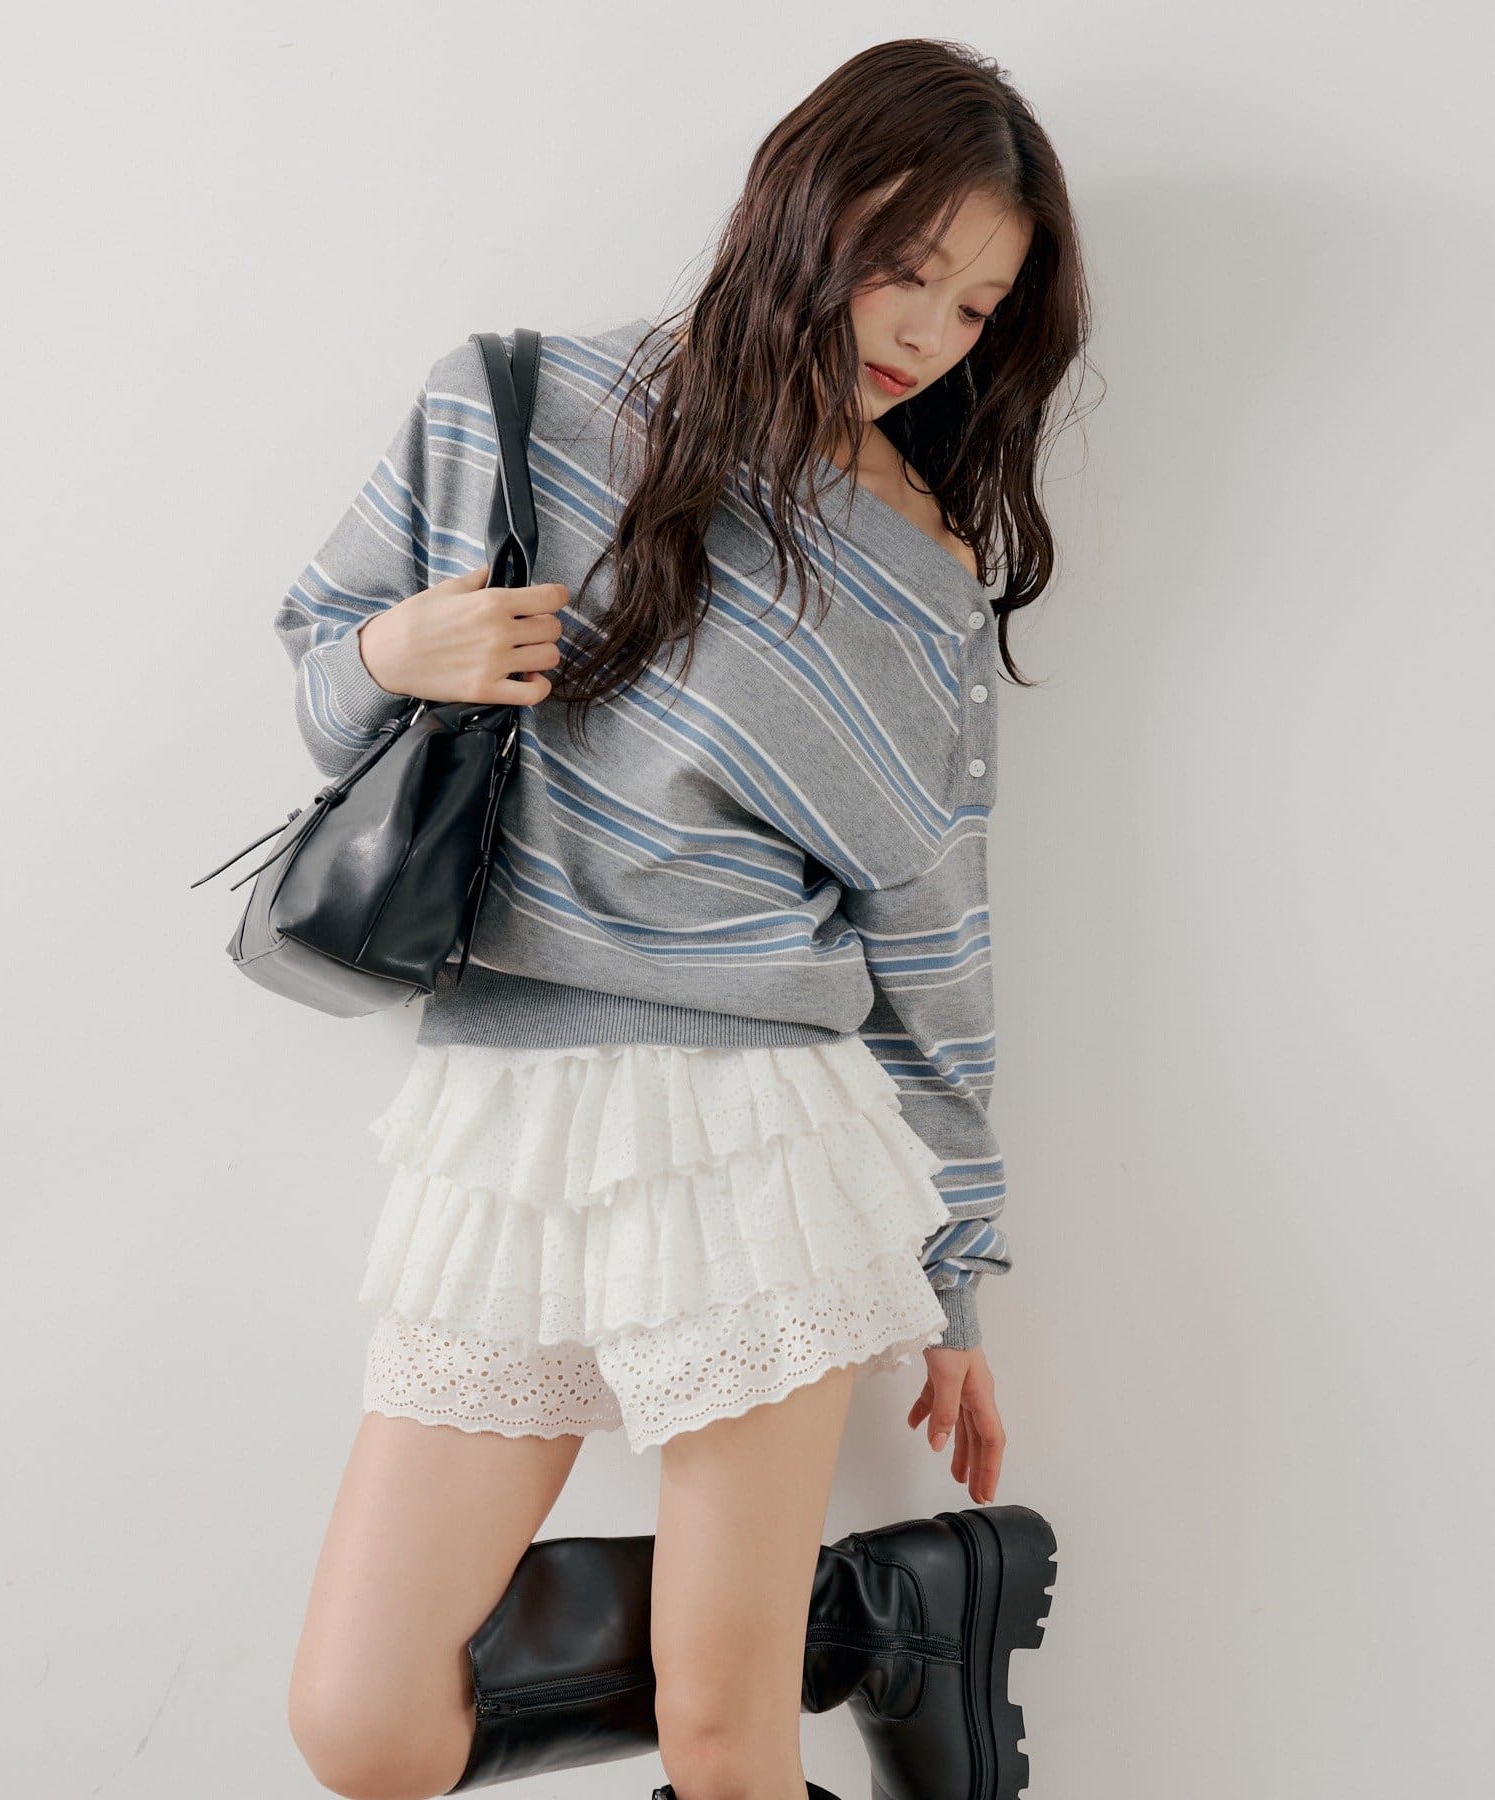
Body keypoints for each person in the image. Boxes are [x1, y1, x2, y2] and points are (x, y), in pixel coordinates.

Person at [277, 37, 1089, 1800]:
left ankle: (802, 1635)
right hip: (502, 1121)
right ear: (805, 207)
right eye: (906, 267)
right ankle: (870, 1617)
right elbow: (321, 666)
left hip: (757, 1130)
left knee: (726, 1745)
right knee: (367, 1727)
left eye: (976, 309)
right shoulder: (516, 404)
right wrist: (395, 650)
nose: (927, 334)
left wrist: (954, 1267)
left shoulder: (922, 567)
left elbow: (932, 924)